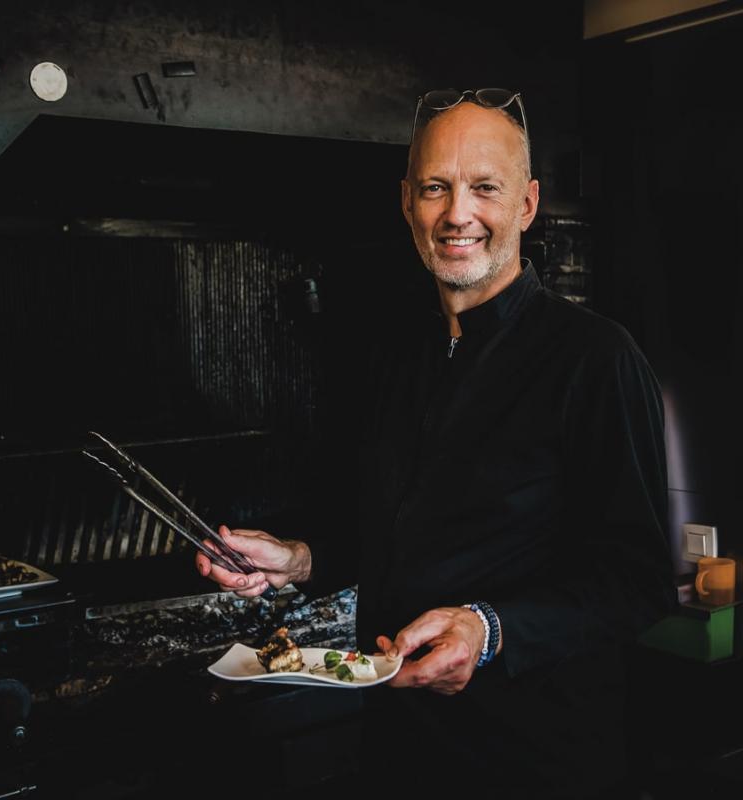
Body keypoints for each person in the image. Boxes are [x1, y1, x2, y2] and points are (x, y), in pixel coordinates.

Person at [196, 89, 675, 798]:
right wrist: (297, 559)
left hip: (537, 760)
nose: (458, 214)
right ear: (406, 202)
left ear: (527, 205)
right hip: (399, 747)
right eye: (435, 188)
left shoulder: (596, 359)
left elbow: (635, 582)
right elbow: (392, 530)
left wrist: (490, 629)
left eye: (485, 187)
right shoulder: (394, 352)